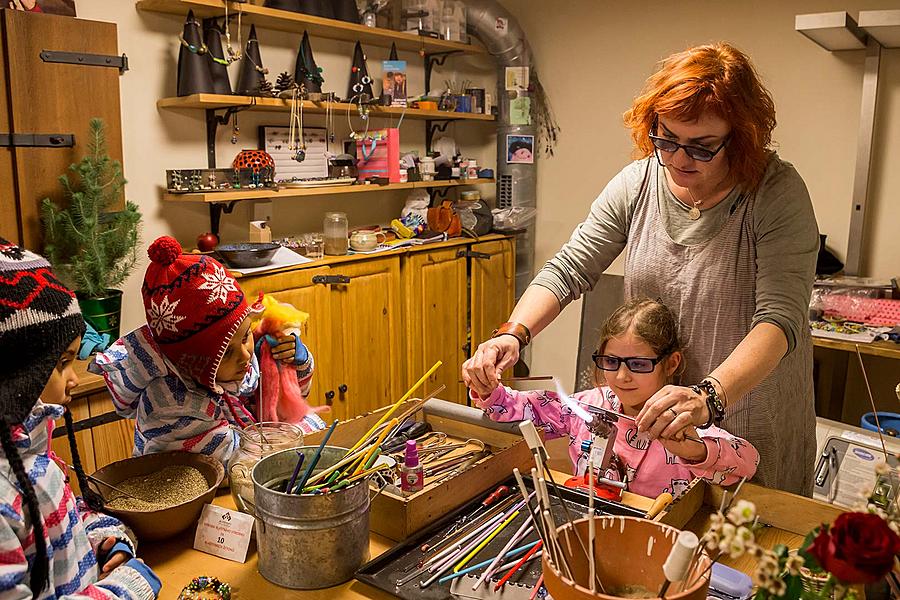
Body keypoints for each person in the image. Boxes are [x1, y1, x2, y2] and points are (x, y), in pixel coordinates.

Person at [463, 42, 819, 495]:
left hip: (742, 418)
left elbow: (779, 319)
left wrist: (708, 396)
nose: (678, 159)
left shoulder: (775, 193)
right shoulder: (638, 182)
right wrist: (512, 334)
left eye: (702, 147)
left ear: (742, 136)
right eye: (666, 138)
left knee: (738, 550)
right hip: (648, 429)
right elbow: (570, 267)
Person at [0, 238, 161, 599]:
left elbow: (64, 522)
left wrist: (105, 537)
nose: (74, 378)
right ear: (13, 375)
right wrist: (122, 590)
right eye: (61, 364)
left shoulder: (31, 452)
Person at [474, 298, 758, 498]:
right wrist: (489, 390)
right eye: (611, 361)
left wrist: (694, 451)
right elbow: (523, 410)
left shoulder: (684, 421)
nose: (622, 377)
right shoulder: (590, 406)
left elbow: (748, 462)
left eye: (637, 364)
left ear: (670, 364)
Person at [90, 236, 325, 471]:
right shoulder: (173, 405)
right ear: (196, 363)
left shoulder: (233, 364)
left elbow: (284, 404)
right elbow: (234, 466)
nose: (245, 355)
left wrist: (293, 365)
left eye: (245, 336)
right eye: (226, 353)